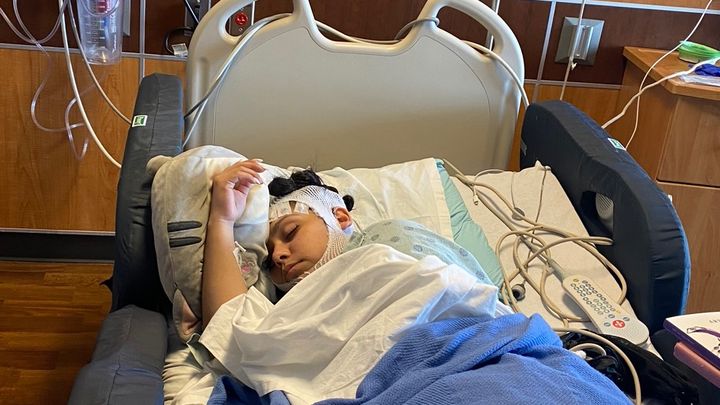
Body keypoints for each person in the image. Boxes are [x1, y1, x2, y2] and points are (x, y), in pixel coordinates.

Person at [202, 159, 492, 326]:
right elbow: (232, 332)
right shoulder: (287, 310)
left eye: (290, 232)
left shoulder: (389, 240)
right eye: (268, 260)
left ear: (339, 217)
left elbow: (458, 295)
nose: (277, 255)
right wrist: (222, 220)